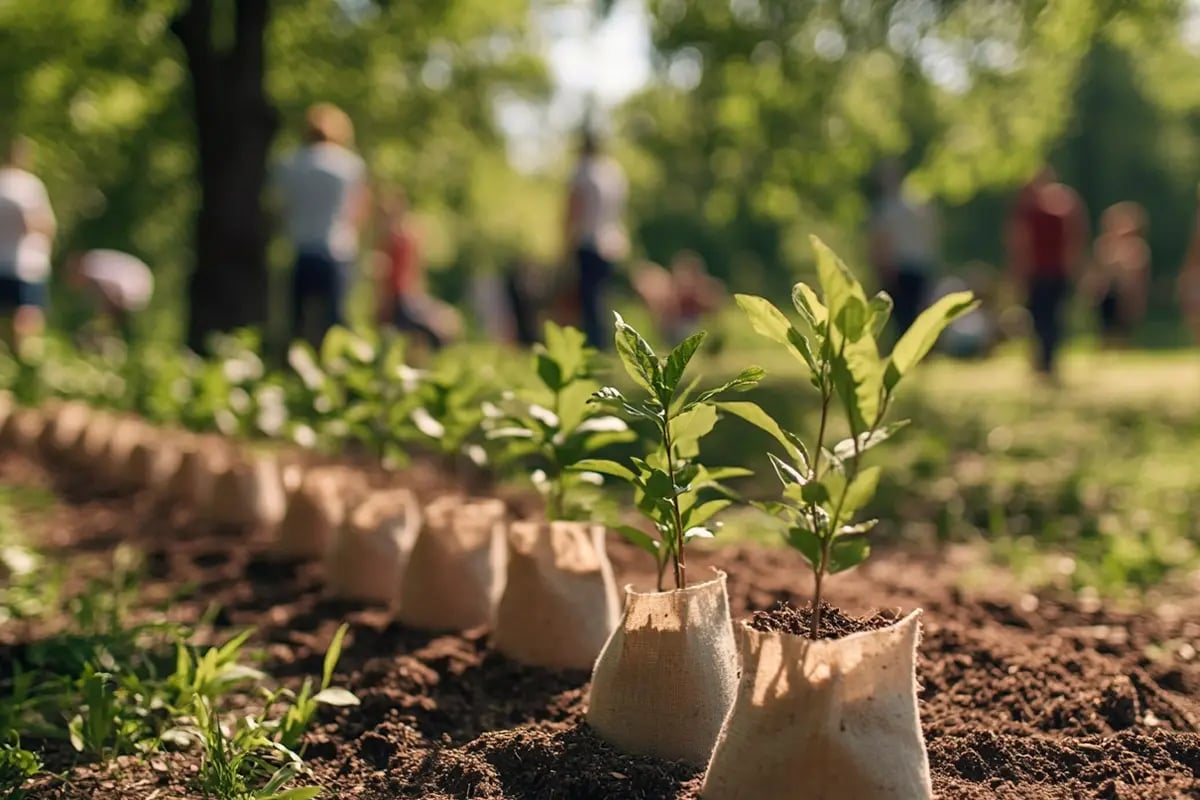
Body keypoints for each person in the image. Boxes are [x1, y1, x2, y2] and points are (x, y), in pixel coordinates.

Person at [272, 103, 370, 347]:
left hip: (302, 250)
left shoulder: (289, 164)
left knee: (297, 325)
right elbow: (357, 212)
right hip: (336, 251)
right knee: (335, 327)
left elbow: (281, 209)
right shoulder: (349, 166)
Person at [1005, 165, 1089, 380]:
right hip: (1056, 271)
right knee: (1053, 316)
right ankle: (1047, 361)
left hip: (1039, 271)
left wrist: (1018, 271)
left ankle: (1043, 361)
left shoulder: (1029, 208)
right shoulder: (1066, 204)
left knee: (1041, 316)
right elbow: (1076, 238)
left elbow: (1020, 242)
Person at [564, 129, 628, 350]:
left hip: (588, 241)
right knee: (603, 295)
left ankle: (596, 344)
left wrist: (564, 243)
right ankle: (609, 340)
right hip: (612, 242)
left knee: (589, 299)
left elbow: (574, 208)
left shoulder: (583, 172)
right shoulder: (612, 172)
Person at [374, 188, 457, 351]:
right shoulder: (409, 236)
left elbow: (392, 277)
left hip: (400, 299)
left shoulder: (396, 239)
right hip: (407, 297)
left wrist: (382, 304)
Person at [868, 160, 940, 340]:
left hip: (898, 267)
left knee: (900, 314)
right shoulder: (920, 206)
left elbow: (882, 241)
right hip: (921, 265)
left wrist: (881, 267)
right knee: (915, 312)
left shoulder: (885, 208)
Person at [0, 137, 55, 348]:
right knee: (28, 317)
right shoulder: (29, 186)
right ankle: (26, 364)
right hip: (26, 264)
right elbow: (42, 224)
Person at [632, 251, 725, 346]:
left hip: (693, 328)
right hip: (678, 331)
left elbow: (713, 313)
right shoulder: (671, 292)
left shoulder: (704, 290)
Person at [1088, 202, 1149, 348]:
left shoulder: (1137, 247)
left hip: (1127, 293)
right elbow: (1098, 271)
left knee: (1124, 325)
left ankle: (1123, 346)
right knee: (1106, 325)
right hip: (1107, 294)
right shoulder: (1104, 246)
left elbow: (1138, 274)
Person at [66, 249, 154, 342]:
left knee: (104, 318)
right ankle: (107, 334)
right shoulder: (93, 261)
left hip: (135, 286)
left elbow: (108, 290)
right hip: (140, 282)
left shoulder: (91, 268)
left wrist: (103, 319)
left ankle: (106, 335)